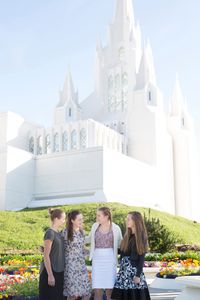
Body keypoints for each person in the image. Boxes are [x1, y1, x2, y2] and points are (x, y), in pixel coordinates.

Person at [111, 211, 151, 300]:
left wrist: (137, 275)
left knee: (134, 296)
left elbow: (141, 259)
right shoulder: (127, 236)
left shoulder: (141, 236)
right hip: (123, 271)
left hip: (133, 272)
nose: (127, 221)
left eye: (129, 219)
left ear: (135, 221)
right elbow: (122, 252)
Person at [88, 207, 122, 300]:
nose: (97, 217)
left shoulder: (116, 228)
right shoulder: (95, 226)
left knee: (110, 289)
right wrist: (75, 236)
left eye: (99, 215)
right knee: (97, 289)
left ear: (106, 216)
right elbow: (89, 239)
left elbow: (121, 243)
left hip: (110, 259)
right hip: (97, 259)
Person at [63, 210, 91, 300]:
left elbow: (82, 248)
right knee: (73, 295)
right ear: (72, 220)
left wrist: (93, 252)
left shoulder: (82, 232)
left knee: (87, 292)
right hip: (70, 266)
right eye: (79, 219)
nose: (82, 221)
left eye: (82, 219)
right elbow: (60, 248)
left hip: (81, 265)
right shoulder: (66, 232)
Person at [39, 208, 66, 300]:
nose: (64, 221)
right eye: (63, 218)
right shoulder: (50, 233)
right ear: (56, 219)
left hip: (60, 271)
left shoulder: (59, 233)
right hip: (51, 272)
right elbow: (46, 255)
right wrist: (50, 275)